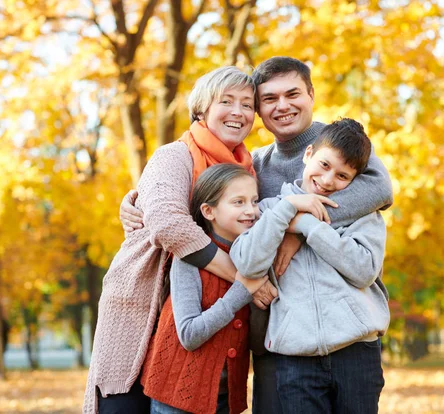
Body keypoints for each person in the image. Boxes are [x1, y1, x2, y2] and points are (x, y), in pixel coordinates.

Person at [119, 57, 394, 413]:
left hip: (348, 333)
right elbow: (204, 209)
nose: (283, 106)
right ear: (260, 112)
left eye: (293, 94)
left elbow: (380, 190)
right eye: (268, 99)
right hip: (274, 335)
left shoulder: (340, 146)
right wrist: (135, 200)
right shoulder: (252, 166)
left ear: (311, 95)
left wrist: (300, 228)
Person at [83, 66, 278, 414]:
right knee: (124, 405)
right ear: (202, 109)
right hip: (143, 302)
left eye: (247, 104)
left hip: (200, 316)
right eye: (227, 101)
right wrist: (244, 280)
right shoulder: (175, 155)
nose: (238, 112)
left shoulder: (250, 170)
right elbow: (167, 221)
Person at [230, 118, 390, 413]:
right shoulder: (269, 209)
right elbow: (247, 264)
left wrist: (308, 226)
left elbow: (364, 270)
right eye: (325, 165)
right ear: (308, 155)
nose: (328, 181)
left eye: (343, 176)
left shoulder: (362, 215)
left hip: (356, 351)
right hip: (295, 355)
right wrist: (288, 211)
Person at [141, 164, 269, 414]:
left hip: (224, 395)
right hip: (176, 395)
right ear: (209, 211)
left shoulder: (255, 260)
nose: (251, 211)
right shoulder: (189, 259)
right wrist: (242, 292)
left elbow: (258, 342)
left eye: (254, 201)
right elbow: (189, 335)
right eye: (238, 202)